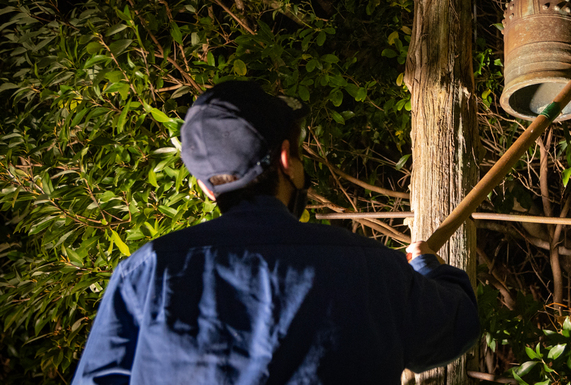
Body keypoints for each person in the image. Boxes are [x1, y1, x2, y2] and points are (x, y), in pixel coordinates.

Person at [72, 80, 480, 384]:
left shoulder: (148, 272)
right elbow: (460, 325)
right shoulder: (375, 268)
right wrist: (426, 265)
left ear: (205, 185)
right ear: (288, 159)